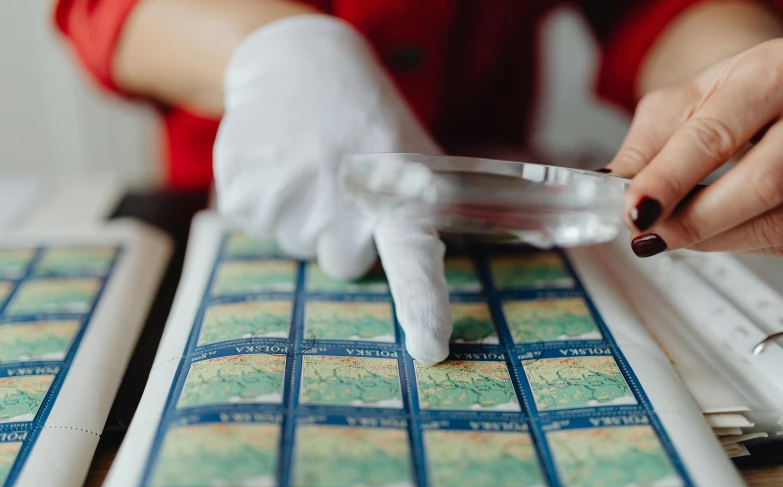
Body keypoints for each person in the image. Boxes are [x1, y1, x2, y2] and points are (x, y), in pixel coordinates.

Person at [54, 0, 783, 365]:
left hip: (517, 247)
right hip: (251, 227)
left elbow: (659, 8)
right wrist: (276, 51)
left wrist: (740, 85)